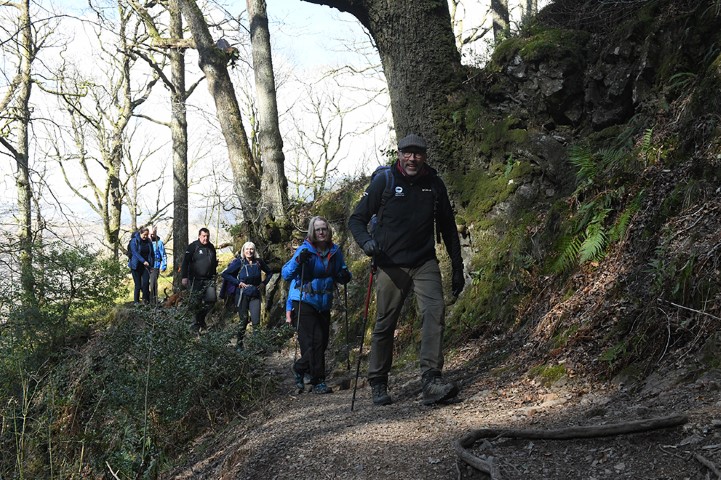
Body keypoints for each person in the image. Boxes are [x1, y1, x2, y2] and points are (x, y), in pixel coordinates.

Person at [348, 133, 465, 406]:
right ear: (399, 154)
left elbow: (448, 228)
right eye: (407, 153)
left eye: (418, 154)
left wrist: (457, 266)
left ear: (425, 156)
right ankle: (378, 381)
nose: (412, 158)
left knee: (434, 313)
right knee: (385, 323)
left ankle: (432, 380)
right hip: (390, 263)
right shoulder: (384, 181)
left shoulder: (434, 185)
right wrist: (367, 243)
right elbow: (357, 219)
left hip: (424, 261)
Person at [282, 216, 352, 394]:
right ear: (312, 231)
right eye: (318, 229)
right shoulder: (305, 250)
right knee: (316, 340)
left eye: (324, 229)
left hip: (324, 302)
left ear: (328, 231)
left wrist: (345, 276)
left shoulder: (334, 251)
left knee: (323, 341)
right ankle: (318, 380)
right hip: (304, 299)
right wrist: (299, 261)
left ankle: (300, 368)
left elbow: (341, 271)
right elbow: (286, 274)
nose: (321, 232)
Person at [221, 241, 273, 350]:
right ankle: (239, 344)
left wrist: (264, 283)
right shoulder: (239, 263)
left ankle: (257, 346)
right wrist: (237, 282)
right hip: (242, 295)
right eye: (247, 249)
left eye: (251, 249)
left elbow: (269, 272)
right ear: (243, 251)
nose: (249, 251)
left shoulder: (259, 262)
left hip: (255, 294)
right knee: (243, 320)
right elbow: (225, 274)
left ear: (254, 251)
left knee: (256, 321)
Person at [181, 228, 218, 333]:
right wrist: (184, 277)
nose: (205, 238)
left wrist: (214, 275)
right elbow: (185, 263)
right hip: (195, 280)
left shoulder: (211, 247)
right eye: (203, 236)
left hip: (209, 279)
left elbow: (213, 263)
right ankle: (195, 325)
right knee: (196, 302)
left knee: (211, 301)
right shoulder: (193, 246)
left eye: (207, 236)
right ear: (199, 236)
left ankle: (201, 319)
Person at [128, 226, 155, 305]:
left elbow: (152, 254)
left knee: (146, 284)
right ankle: (136, 302)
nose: (145, 236)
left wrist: (151, 265)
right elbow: (135, 252)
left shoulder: (149, 242)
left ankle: (145, 301)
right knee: (138, 285)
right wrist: (143, 261)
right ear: (140, 233)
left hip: (146, 267)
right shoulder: (134, 241)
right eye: (144, 234)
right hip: (135, 266)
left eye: (147, 235)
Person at [149, 225, 168, 304]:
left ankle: (154, 301)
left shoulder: (159, 243)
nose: (151, 236)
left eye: (153, 234)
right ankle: (147, 300)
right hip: (147, 266)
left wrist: (163, 265)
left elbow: (163, 254)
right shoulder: (146, 242)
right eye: (150, 234)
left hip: (155, 266)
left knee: (153, 284)